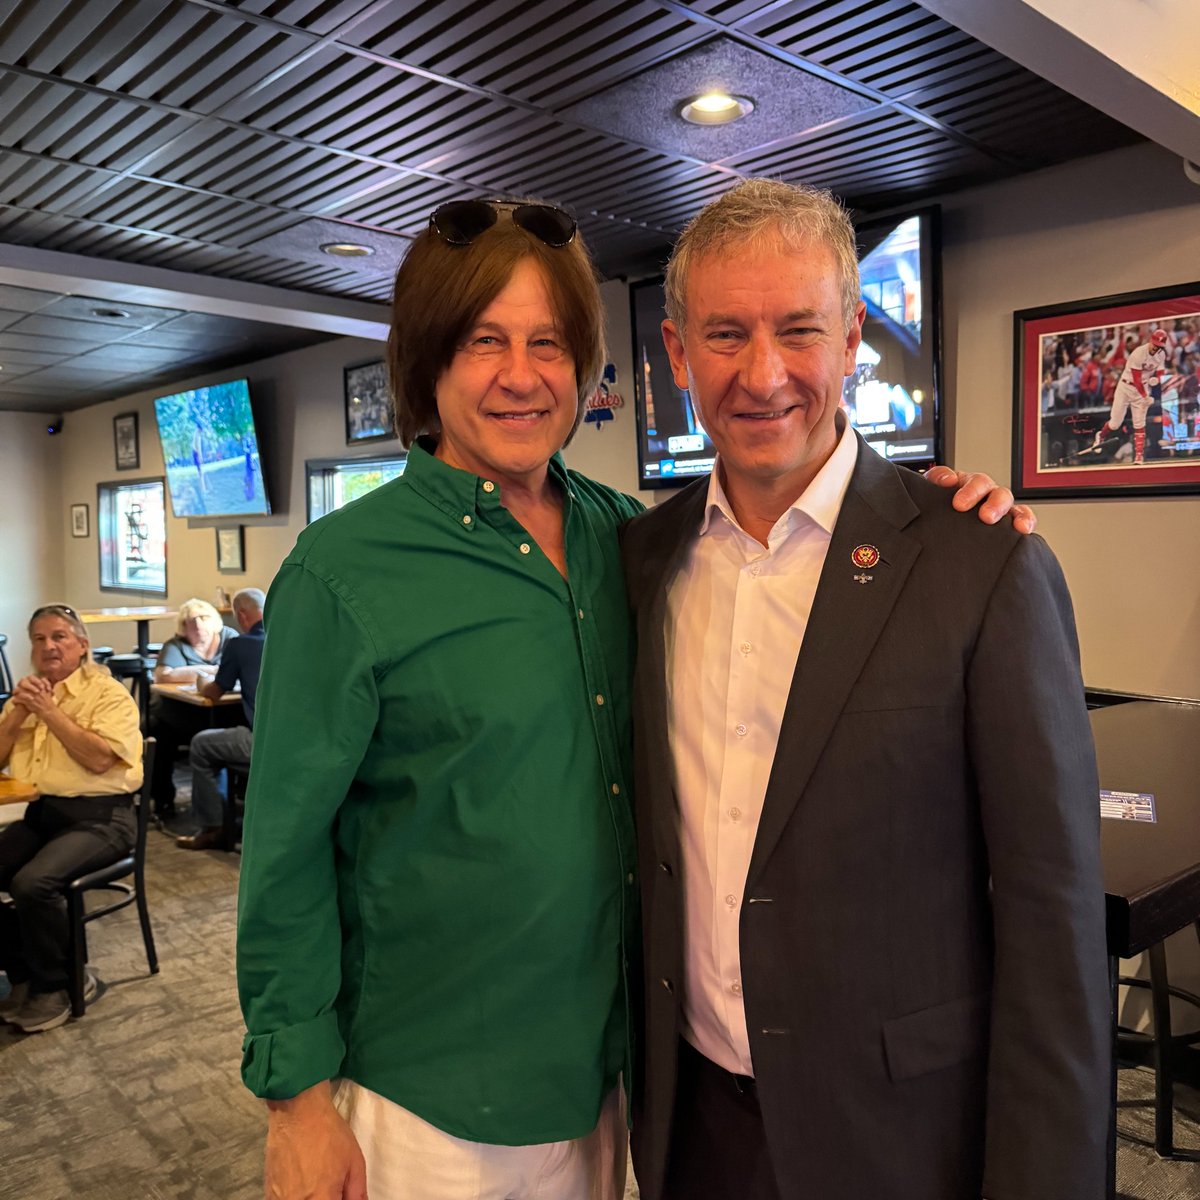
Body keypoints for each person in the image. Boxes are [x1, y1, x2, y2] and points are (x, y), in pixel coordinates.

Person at [235, 197, 1027, 1200]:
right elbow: (284, 855)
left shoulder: (630, 542)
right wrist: (295, 1100)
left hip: (612, 1082)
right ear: (429, 358)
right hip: (437, 1098)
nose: (520, 375)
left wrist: (935, 507)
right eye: (483, 341)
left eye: (548, 343)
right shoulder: (343, 572)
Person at [619, 179, 1110, 1200]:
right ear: (676, 353)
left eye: (799, 330)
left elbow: (1051, 926)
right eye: (725, 334)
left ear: (851, 341)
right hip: (693, 1131)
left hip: (901, 1139)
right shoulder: (638, 563)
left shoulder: (982, 565)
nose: (763, 374)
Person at [0, 604, 143, 1033]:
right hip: (43, 814)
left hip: (104, 818)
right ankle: (23, 973)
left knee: (32, 883)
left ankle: (62, 982)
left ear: (82, 645)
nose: (49, 646)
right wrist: (20, 712)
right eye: (39, 639)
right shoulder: (27, 695)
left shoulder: (107, 694)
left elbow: (100, 760)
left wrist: (49, 711)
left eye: (59, 636)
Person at [176, 588, 265, 852]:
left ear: (242, 615)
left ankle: (213, 829)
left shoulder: (239, 644)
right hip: (302, 739)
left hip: (263, 742)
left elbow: (214, 692)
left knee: (202, 744)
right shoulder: (289, 639)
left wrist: (203, 681)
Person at [149, 597, 238, 816]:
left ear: (213, 620)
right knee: (156, 729)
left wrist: (187, 672)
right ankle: (163, 800)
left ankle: (231, 801)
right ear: (183, 626)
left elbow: (239, 668)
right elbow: (163, 675)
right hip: (181, 713)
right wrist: (212, 670)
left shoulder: (230, 638)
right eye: (191, 621)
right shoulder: (175, 645)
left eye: (203, 618)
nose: (198, 625)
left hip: (226, 711)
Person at [1092, 328, 1171, 464]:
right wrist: (1145, 396)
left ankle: (1139, 455)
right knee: (1115, 423)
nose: (1156, 348)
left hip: (1142, 388)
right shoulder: (1139, 353)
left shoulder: (1161, 354)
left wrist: (1156, 380)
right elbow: (1136, 378)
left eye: (1159, 346)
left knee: (1139, 423)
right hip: (1126, 387)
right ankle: (1101, 435)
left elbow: (1160, 372)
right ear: (1150, 341)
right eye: (1155, 345)